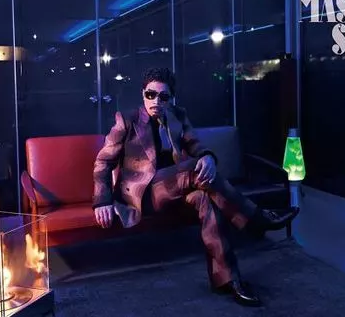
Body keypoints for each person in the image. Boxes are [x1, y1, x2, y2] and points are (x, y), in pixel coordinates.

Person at [93, 67, 299, 307]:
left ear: (171, 98)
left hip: (176, 188)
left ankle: (228, 279)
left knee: (205, 199)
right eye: (150, 94)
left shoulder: (178, 116)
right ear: (143, 94)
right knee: (194, 168)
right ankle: (256, 218)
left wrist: (207, 156)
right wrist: (102, 201)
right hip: (143, 194)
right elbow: (103, 162)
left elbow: (196, 145)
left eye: (163, 96)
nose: (156, 101)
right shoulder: (126, 119)